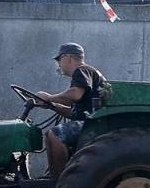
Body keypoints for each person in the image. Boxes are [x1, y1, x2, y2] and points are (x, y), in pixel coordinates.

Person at [39, 42, 106, 175]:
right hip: (88, 120)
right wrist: (52, 105)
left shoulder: (82, 70)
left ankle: (59, 179)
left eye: (59, 60)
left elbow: (75, 94)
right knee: (49, 134)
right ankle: (52, 175)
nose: (59, 64)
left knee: (56, 135)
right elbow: (74, 113)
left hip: (92, 124)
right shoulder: (86, 73)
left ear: (68, 58)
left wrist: (50, 97)